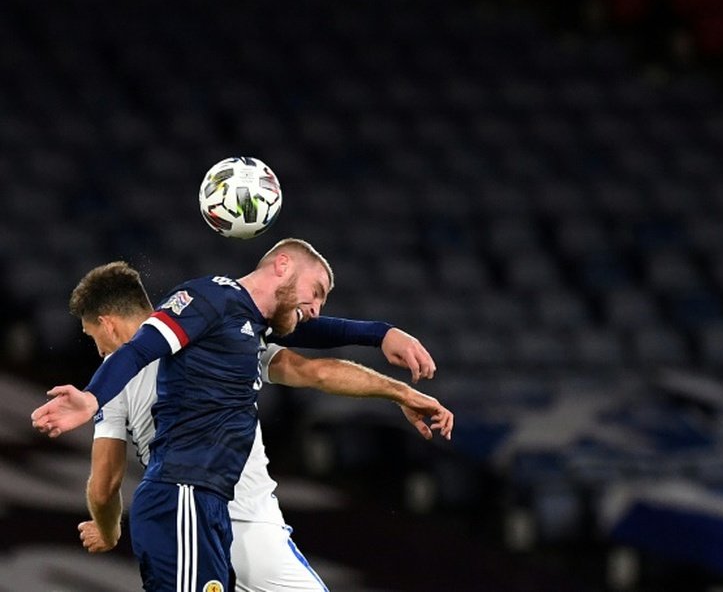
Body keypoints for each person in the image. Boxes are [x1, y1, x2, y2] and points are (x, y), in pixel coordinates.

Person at [31, 238, 436, 591]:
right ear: (283, 266)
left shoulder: (232, 333)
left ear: (105, 322)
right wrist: (91, 398)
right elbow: (310, 368)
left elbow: (105, 486)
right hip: (190, 497)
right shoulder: (207, 314)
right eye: (316, 292)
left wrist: (381, 336)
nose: (315, 308)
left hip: (226, 510)